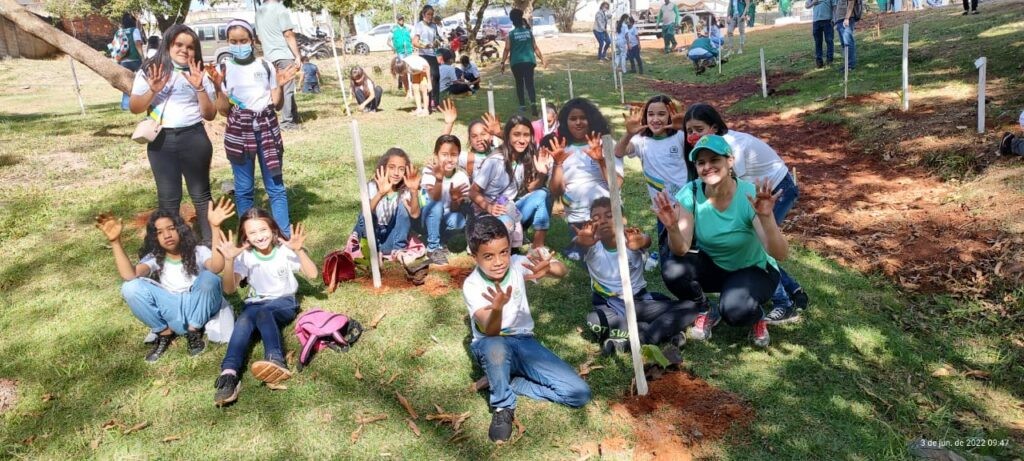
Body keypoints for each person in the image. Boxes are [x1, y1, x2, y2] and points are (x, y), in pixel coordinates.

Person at [462, 215, 590, 443]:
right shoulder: (472, 285)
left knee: (578, 393)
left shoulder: (517, 263)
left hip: (524, 342)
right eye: (488, 256)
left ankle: (510, 381)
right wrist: (498, 308)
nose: (499, 261)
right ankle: (503, 406)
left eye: (504, 252)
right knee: (496, 347)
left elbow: (563, 272)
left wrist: (549, 266)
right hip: (492, 343)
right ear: (474, 257)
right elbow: (490, 331)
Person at [654, 135, 789, 347]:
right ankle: (706, 308)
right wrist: (672, 228)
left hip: (753, 269)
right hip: (715, 266)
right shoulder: (692, 191)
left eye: (714, 159)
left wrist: (766, 218)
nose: (707, 166)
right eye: (701, 162)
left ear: (730, 161)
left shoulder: (749, 195)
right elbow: (680, 249)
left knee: (736, 312)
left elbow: (780, 254)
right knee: (673, 268)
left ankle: (755, 315)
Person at [683, 103, 809, 321]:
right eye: (689, 131)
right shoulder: (709, 148)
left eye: (699, 129)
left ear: (714, 127)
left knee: (761, 245)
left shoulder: (730, 148)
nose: (694, 135)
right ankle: (790, 290)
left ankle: (784, 301)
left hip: (777, 188)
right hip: (757, 189)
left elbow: (733, 190)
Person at [95, 200, 232, 362]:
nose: (167, 235)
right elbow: (130, 275)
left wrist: (215, 227)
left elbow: (216, 267)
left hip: (199, 306)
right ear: (155, 237)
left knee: (210, 277)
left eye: (171, 229)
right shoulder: (154, 258)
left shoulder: (199, 251)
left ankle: (193, 332)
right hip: (172, 309)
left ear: (181, 230)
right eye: (160, 232)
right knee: (129, 287)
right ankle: (164, 333)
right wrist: (115, 242)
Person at [213, 209, 318, 406]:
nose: (259, 236)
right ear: (245, 237)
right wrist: (229, 260)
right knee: (243, 321)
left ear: (273, 229)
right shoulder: (245, 256)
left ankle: (276, 360)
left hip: (284, 301)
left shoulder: (284, 250)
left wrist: (298, 250)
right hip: (255, 303)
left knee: (264, 313)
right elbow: (229, 288)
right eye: (252, 233)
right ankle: (228, 375)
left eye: (263, 229)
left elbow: (312, 274)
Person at [209, 19, 298, 241]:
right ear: (228, 43)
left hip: (267, 130)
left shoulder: (265, 66)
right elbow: (223, 110)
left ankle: (283, 236)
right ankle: (248, 238)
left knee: (275, 187)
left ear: (252, 40)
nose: (239, 45)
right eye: (233, 41)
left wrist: (280, 83)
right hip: (239, 133)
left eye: (243, 40)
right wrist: (218, 87)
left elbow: (276, 104)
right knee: (244, 189)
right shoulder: (224, 69)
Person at [129, 24, 218, 245]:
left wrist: (199, 88)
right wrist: (153, 90)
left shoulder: (198, 73)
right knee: (168, 199)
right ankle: (171, 247)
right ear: (168, 44)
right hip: (161, 142)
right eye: (179, 44)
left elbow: (210, 115)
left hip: (194, 137)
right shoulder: (152, 69)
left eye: (190, 47)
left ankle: (210, 243)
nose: (184, 50)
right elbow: (135, 107)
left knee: (201, 195)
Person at [577, 198, 701, 355]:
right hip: (609, 305)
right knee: (594, 320)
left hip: (640, 303)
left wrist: (642, 241)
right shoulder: (591, 248)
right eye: (596, 218)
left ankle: (641, 338)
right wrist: (583, 241)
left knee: (690, 307)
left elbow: (645, 240)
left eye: (609, 215)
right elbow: (580, 244)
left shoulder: (632, 240)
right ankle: (665, 330)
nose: (602, 221)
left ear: (623, 220)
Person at [548, 98, 624, 260]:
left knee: (617, 257)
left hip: (609, 216)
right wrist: (558, 164)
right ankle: (579, 245)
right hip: (579, 218)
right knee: (592, 259)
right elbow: (556, 191)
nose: (578, 122)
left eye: (583, 117)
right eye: (573, 119)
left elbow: (616, 185)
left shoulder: (607, 143)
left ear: (591, 119)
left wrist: (601, 161)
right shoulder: (560, 149)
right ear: (565, 122)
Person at [469, 115, 553, 249]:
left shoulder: (524, 159)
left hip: (510, 207)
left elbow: (531, 189)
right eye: (517, 134)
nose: (522, 140)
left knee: (544, 193)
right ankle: (503, 248)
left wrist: (542, 175)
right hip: (488, 213)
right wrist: (489, 207)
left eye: (526, 135)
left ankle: (537, 247)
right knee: (507, 223)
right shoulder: (495, 161)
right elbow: (473, 192)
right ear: (507, 136)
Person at [614, 96, 689, 241]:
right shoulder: (641, 140)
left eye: (661, 114)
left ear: (670, 115)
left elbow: (699, 146)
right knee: (667, 246)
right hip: (662, 208)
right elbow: (618, 152)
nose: (655, 119)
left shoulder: (679, 136)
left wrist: (685, 128)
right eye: (650, 114)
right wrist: (629, 134)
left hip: (685, 205)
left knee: (689, 244)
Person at [352, 148, 422, 258]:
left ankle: (398, 251)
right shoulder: (371, 186)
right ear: (384, 167)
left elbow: (415, 214)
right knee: (366, 214)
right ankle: (373, 253)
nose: (396, 173)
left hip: (391, 239)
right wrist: (380, 193)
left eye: (401, 169)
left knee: (403, 207)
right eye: (392, 167)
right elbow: (365, 214)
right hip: (371, 236)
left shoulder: (405, 191)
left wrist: (414, 191)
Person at [420, 134, 471, 265]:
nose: (449, 159)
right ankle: (433, 248)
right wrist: (439, 179)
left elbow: (454, 209)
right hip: (425, 217)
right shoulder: (429, 171)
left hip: (446, 217)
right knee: (436, 205)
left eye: (454, 155)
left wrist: (455, 200)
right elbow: (431, 201)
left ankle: (440, 238)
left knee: (458, 220)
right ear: (436, 155)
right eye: (444, 154)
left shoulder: (461, 177)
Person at [255, 0, 303, 130]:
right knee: (287, 89)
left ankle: (293, 116)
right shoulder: (280, 8)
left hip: (269, 57)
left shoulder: (259, 11)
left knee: (276, 89)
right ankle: (287, 122)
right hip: (284, 54)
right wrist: (297, 55)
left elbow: (259, 36)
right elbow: (288, 34)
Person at [440, 100, 503, 181]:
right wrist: (449, 124)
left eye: (483, 134)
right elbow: (441, 151)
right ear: (470, 140)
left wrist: (499, 133)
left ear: (491, 136)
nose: (479, 139)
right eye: (474, 136)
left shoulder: (500, 153)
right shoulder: (466, 158)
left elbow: (515, 144)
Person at [500, 8, 546, 117]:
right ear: (521, 19)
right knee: (530, 83)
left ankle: (522, 106)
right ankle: (534, 105)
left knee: (519, 83)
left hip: (516, 63)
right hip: (529, 61)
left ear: (512, 21)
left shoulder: (510, 35)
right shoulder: (529, 32)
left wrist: (502, 63)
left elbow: (507, 49)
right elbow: (535, 47)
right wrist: (542, 59)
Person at [412, 5, 442, 113]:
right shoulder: (419, 26)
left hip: (433, 54)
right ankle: (428, 103)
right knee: (430, 77)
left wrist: (436, 43)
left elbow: (437, 40)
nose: (430, 16)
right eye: (428, 14)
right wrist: (424, 46)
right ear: (423, 14)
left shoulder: (434, 26)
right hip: (423, 55)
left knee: (437, 76)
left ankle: (436, 102)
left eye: (432, 14)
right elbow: (415, 42)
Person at [114, 13, 145, 110]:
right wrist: (143, 57)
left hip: (123, 61)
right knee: (143, 81)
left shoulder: (118, 32)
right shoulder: (135, 30)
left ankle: (125, 105)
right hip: (135, 60)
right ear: (133, 22)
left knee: (127, 83)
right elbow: (137, 44)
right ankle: (145, 102)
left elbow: (115, 46)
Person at [807, 0, 836, 68]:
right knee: (818, 42)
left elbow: (835, 6)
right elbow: (807, 6)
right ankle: (819, 62)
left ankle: (829, 60)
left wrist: (834, 19)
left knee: (829, 40)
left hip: (828, 20)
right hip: (816, 21)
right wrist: (813, 3)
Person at [834, 0, 859, 71]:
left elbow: (851, 2)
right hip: (840, 19)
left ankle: (850, 65)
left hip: (846, 19)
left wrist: (847, 18)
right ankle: (847, 64)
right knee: (844, 44)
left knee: (848, 42)